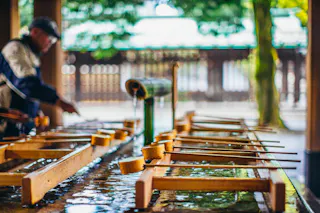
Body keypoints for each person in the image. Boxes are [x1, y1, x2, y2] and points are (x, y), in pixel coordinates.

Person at [0, 17, 79, 137]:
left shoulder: (32, 54)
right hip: (6, 122)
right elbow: (26, 85)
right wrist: (58, 100)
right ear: (35, 32)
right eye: (50, 38)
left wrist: (36, 111)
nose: (50, 43)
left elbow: (32, 91)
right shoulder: (15, 48)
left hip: (22, 124)